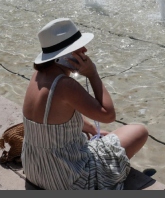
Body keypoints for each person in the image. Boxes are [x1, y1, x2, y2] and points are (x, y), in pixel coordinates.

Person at [21, 18, 148, 190]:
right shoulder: (65, 85)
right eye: (79, 47)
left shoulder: (37, 77)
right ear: (65, 56)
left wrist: (90, 128)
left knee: (104, 137)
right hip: (67, 179)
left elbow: (56, 116)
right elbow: (108, 114)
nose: (85, 50)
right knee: (139, 131)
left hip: (36, 170)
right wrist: (92, 74)